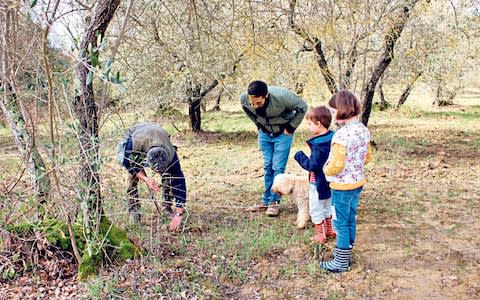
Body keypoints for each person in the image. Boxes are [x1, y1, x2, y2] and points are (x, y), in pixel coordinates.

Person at [320, 90, 372, 273]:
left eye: (333, 112)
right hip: (357, 182)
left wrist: (326, 170)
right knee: (350, 218)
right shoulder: (363, 130)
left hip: (341, 186)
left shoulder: (341, 135)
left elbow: (337, 164)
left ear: (342, 110)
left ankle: (340, 262)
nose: (332, 116)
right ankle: (346, 255)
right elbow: (367, 157)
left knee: (339, 223)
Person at [240, 80, 308, 216]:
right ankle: (265, 200)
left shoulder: (283, 97)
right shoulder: (244, 99)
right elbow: (247, 109)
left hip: (283, 133)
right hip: (264, 133)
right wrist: (258, 125)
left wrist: (291, 127)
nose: (255, 106)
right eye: (252, 103)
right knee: (267, 166)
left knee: (278, 167)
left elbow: (303, 107)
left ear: (266, 95)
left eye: (258, 103)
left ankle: (274, 202)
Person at [116, 123, 187, 231]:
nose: (158, 173)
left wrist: (179, 214)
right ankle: (134, 211)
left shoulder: (171, 155)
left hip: (159, 135)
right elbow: (128, 163)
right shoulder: (134, 144)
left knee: (169, 175)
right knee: (132, 177)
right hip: (137, 136)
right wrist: (145, 178)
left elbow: (179, 182)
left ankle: (166, 207)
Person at [294, 106, 335, 244]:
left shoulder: (319, 144)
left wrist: (300, 156)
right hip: (331, 179)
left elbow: (313, 165)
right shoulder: (333, 136)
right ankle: (330, 229)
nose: (309, 127)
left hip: (317, 181)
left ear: (319, 124)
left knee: (316, 207)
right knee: (328, 204)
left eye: (310, 124)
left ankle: (320, 234)